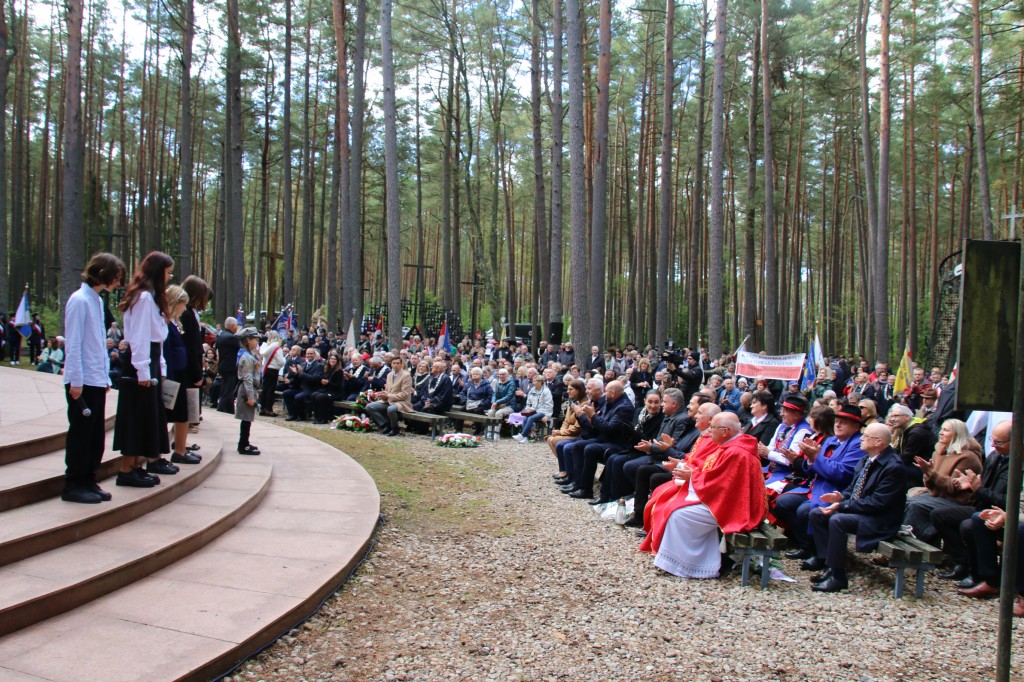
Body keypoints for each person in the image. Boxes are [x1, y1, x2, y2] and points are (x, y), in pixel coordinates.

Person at [639, 412, 766, 578]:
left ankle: (687, 565)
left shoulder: (737, 452)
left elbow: (723, 484)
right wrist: (689, 471)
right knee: (673, 506)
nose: (709, 431)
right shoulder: (730, 446)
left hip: (735, 508)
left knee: (678, 514)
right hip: (725, 499)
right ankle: (686, 561)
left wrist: (692, 477)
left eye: (712, 427)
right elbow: (714, 475)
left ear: (725, 431)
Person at [807, 423, 907, 592]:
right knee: (818, 513)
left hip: (881, 519)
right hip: (864, 511)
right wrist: (841, 496)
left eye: (865, 436)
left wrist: (842, 505)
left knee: (838, 520)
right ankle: (827, 564)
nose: (860, 439)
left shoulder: (893, 467)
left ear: (878, 442)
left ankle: (838, 577)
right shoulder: (867, 459)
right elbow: (853, 488)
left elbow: (878, 503)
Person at [61, 252, 126, 503]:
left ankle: (89, 478)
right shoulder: (79, 300)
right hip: (81, 380)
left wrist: (104, 377)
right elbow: (74, 343)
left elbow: (98, 343)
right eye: (116, 277)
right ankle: (74, 484)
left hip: (95, 378)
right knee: (80, 434)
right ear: (103, 274)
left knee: (95, 435)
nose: (118, 283)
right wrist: (76, 379)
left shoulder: (96, 301)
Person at [113, 251, 177, 487]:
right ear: (158, 272)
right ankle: (126, 469)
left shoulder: (149, 298)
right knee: (136, 417)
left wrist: (158, 368)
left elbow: (155, 339)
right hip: (140, 363)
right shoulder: (143, 300)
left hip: (149, 359)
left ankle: (134, 466)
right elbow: (139, 337)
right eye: (168, 272)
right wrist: (142, 371)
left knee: (144, 418)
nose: (170, 277)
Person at [773, 403, 864, 560]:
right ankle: (805, 543)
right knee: (783, 503)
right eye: (837, 421)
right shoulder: (831, 440)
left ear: (856, 426)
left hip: (837, 491)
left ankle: (820, 552)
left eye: (844, 422)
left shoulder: (857, 445)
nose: (838, 424)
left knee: (804, 511)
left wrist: (816, 458)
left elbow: (842, 474)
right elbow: (811, 469)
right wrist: (807, 459)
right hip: (816, 487)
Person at [930, 420, 1011, 583]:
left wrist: (978, 489)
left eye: (999, 442)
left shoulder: (1017, 464)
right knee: (938, 515)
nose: (994, 445)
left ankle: (985, 576)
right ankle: (963, 561)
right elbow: (981, 489)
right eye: (992, 440)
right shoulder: (995, 457)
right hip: (981, 507)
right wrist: (972, 486)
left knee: (969, 525)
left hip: (1002, 513)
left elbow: (1009, 501)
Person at [901, 418, 982, 546]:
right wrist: (927, 473)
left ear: (957, 434)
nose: (941, 432)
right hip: (937, 495)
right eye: (941, 429)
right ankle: (902, 541)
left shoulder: (968, 457)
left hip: (956, 500)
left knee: (915, 506)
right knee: (906, 501)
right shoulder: (939, 452)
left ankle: (918, 546)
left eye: (946, 430)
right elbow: (930, 484)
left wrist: (931, 473)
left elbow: (953, 487)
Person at [561, 381, 635, 500]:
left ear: (613, 393)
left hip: (617, 443)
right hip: (605, 439)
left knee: (590, 449)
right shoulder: (611, 402)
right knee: (578, 446)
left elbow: (610, 429)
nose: (604, 394)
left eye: (606, 392)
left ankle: (586, 489)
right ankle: (578, 483)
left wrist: (592, 416)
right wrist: (586, 416)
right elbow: (597, 426)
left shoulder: (624, 407)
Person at [595, 390, 665, 503]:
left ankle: (616, 498)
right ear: (644, 401)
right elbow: (631, 430)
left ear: (661, 402)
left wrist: (635, 434)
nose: (653, 405)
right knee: (612, 457)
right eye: (650, 402)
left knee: (617, 460)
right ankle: (604, 496)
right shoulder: (639, 412)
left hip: (646, 450)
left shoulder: (662, 417)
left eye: (656, 402)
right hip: (632, 446)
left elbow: (653, 439)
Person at [162, 285, 200, 465]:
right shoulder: (166, 323)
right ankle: (173, 451)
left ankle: (180, 449)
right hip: (173, 374)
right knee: (174, 413)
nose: (184, 308)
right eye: (182, 304)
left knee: (183, 414)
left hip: (180, 373)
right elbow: (168, 351)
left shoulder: (174, 323)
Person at [180, 276, 210, 431]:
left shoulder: (190, 313)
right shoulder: (186, 315)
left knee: (189, 406)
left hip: (192, 366)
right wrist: (197, 373)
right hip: (188, 368)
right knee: (185, 407)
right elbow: (191, 347)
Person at [886, 403, 939, 489]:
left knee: (891, 469)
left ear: (907, 417)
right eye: (891, 416)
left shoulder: (916, 432)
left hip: (924, 469)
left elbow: (905, 458)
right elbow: (898, 451)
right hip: (912, 464)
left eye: (896, 416)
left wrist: (886, 461)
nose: (892, 419)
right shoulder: (905, 429)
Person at [548, 379, 588, 478]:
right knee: (550, 438)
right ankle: (566, 467)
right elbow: (566, 421)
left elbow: (578, 428)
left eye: (571, 389)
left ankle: (569, 470)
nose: (568, 391)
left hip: (579, 434)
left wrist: (561, 433)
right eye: (568, 389)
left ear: (579, 390)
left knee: (555, 440)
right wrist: (560, 431)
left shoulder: (584, 404)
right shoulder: (572, 402)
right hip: (569, 432)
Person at [365, 356, 413, 436]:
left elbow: (405, 394)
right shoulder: (389, 374)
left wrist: (388, 396)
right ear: (391, 364)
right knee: (369, 407)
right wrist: (381, 394)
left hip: (401, 402)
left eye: (398, 363)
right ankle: (385, 424)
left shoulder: (406, 376)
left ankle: (394, 428)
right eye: (394, 363)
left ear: (401, 364)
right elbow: (387, 390)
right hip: (388, 400)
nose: (395, 365)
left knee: (390, 409)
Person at [234, 327, 262, 454]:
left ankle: (245, 442)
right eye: (254, 339)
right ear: (247, 340)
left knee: (248, 419)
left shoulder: (251, 355)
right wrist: (250, 397)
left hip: (250, 389)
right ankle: (243, 445)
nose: (257, 342)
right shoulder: (246, 357)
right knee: (246, 419)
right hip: (246, 391)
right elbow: (247, 379)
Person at [283, 348, 324, 421]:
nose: (309, 355)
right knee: (286, 393)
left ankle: (302, 416)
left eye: (311, 354)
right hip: (300, 388)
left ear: (314, 355)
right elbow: (298, 378)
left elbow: (314, 379)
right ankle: (293, 414)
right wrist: (295, 374)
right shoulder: (303, 364)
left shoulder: (319, 366)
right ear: (305, 355)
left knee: (298, 397)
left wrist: (302, 373)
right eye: (308, 353)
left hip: (311, 389)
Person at [513, 374, 554, 443]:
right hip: (533, 410)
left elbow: (549, 404)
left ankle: (522, 435)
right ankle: (525, 438)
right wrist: (528, 409)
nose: (533, 383)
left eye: (535, 381)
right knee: (525, 417)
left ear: (540, 382)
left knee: (531, 418)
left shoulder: (546, 391)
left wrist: (547, 416)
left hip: (543, 411)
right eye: (533, 381)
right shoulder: (532, 390)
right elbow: (528, 402)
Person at [312, 351, 346, 424]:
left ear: (337, 361)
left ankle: (323, 418)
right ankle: (317, 417)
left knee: (320, 397)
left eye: (334, 359)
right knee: (314, 395)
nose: (332, 361)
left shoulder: (339, 371)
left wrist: (328, 383)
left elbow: (338, 385)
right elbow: (322, 378)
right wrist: (322, 381)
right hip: (326, 390)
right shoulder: (327, 369)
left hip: (335, 392)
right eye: (331, 359)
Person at [215, 317, 241, 413]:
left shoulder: (221, 335)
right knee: (228, 390)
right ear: (233, 326)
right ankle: (223, 408)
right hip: (230, 367)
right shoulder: (231, 337)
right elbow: (239, 346)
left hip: (223, 365)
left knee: (226, 388)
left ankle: (229, 408)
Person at [257, 330, 285, 416]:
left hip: (266, 368)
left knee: (265, 389)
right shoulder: (277, 347)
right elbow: (281, 361)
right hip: (273, 369)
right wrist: (283, 360)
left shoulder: (265, 346)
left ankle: (262, 408)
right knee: (270, 390)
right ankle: (268, 409)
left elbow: (262, 354)